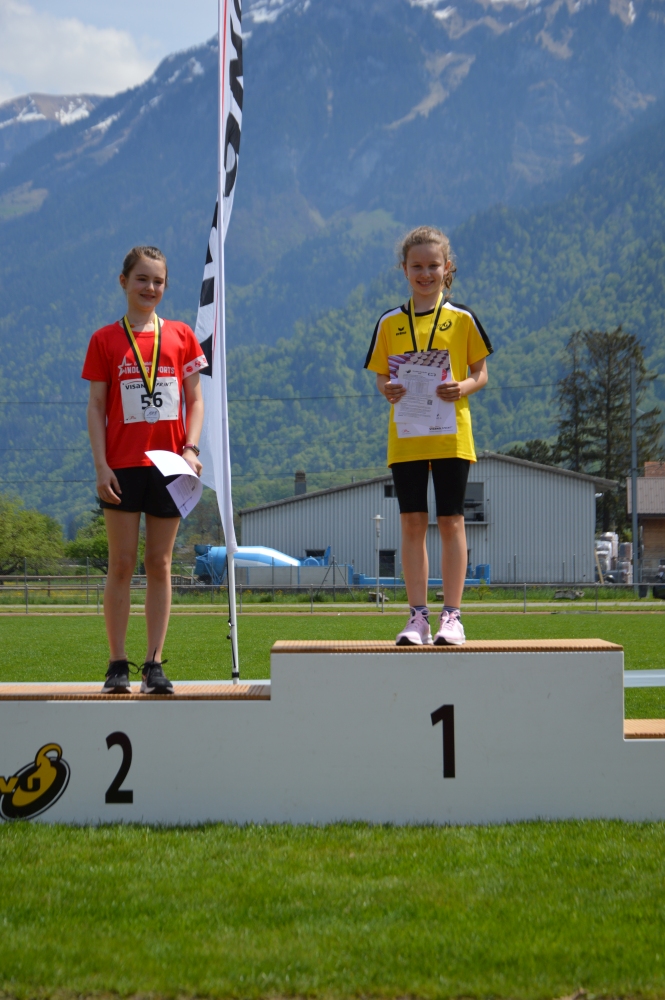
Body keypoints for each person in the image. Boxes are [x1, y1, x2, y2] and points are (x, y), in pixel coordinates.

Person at [82, 246, 208, 693]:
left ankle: (153, 664)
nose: (150, 287)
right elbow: (96, 407)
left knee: (159, 563)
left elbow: (196, 400)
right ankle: (117, 663)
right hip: (121, 466)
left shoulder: (181, 335)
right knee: (120, 564)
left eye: (158, 281)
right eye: (142, 279)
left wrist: (191, 448)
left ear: (165, 286)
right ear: (124, 282)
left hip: (170, 465)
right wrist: (101, 465)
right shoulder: (104, 339)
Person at [364, 226, 492, 646]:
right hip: (408, 436)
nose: (425, 273)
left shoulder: (463, 319)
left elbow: (481, 373)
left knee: (451, 521)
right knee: (412, 522)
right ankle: (417, 617)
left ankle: (452, 616)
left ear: (447, 268)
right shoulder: (390, 322)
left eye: (433, 265)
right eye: (416, 266)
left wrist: (463, 387)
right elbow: (381, 375)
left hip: (451, 435)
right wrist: (387, 388)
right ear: (403, 269)